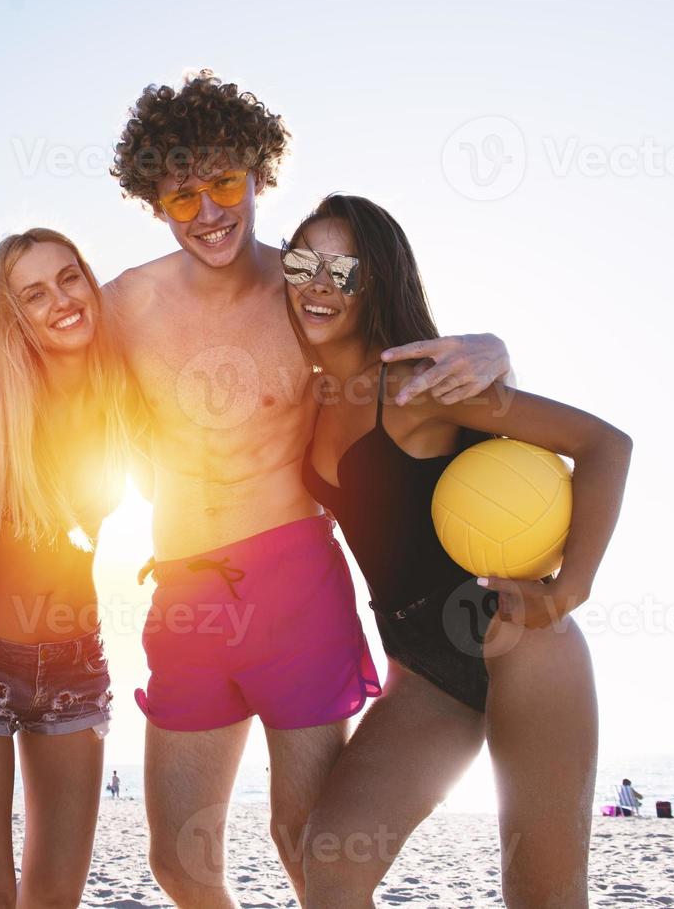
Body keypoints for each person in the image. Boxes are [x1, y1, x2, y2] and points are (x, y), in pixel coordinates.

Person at [104, 70, 512, 905]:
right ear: (153, 202)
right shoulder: (122, 307)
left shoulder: (305, 296)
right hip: (182, 592)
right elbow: (31, 380)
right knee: (178, 864)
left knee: (307, 843)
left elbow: (409, 349)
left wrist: (495, 345)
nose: (208, 211)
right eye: (182, 196)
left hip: (295, 581)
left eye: (224, 182)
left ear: (258, 171)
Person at [281, 195, 631, 908]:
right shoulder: (308, 393)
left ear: (376, 280)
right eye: (301, 263)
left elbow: (603, 445)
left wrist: (570, 590)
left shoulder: (418, 385)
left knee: (541, 894)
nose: (318, 282)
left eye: (341, 268)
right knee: (331, 867)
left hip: (520, 644)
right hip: (420, 671)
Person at [0, 229, 133, 908]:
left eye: (69, 278)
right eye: (33, 294)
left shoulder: (127, 385)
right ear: (12, 314)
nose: (61, 301)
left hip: (76, 664)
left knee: (54, 899)